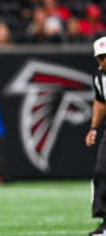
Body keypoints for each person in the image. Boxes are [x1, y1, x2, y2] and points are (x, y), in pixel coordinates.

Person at [87, 36, 106, 236]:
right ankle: (105, 223)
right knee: (101, 171)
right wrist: (93, 127)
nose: (104, 61)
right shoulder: (99, 77)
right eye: (100, 57)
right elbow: (100, 102)